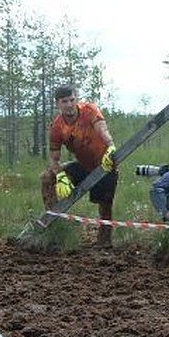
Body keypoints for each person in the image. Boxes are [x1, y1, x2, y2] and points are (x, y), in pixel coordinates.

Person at [41, 84, 118, 247]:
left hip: (105, 163)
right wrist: (60, 175)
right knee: (47, 177)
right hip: (83, 166)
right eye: (64, 101)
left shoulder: (89, 110)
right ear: (57, 104)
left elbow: (102, 129)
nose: (69, 105)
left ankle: (104, 240)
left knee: (104, 203)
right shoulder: (57, 127)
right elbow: (54, 158)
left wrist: (111, 146)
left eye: (71, 100)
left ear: (76, 99)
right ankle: (55, 229)